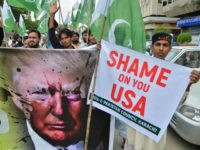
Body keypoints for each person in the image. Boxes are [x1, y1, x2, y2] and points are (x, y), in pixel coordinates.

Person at [125, 32, 200, 150]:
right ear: (151, 47)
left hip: (156, 124)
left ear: (170, 48)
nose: (161, 48)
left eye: (165, 45)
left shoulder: (174, 74)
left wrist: (188, 84)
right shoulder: (141, 66)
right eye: (157, 44)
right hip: (136, 121)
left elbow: (176, 103)